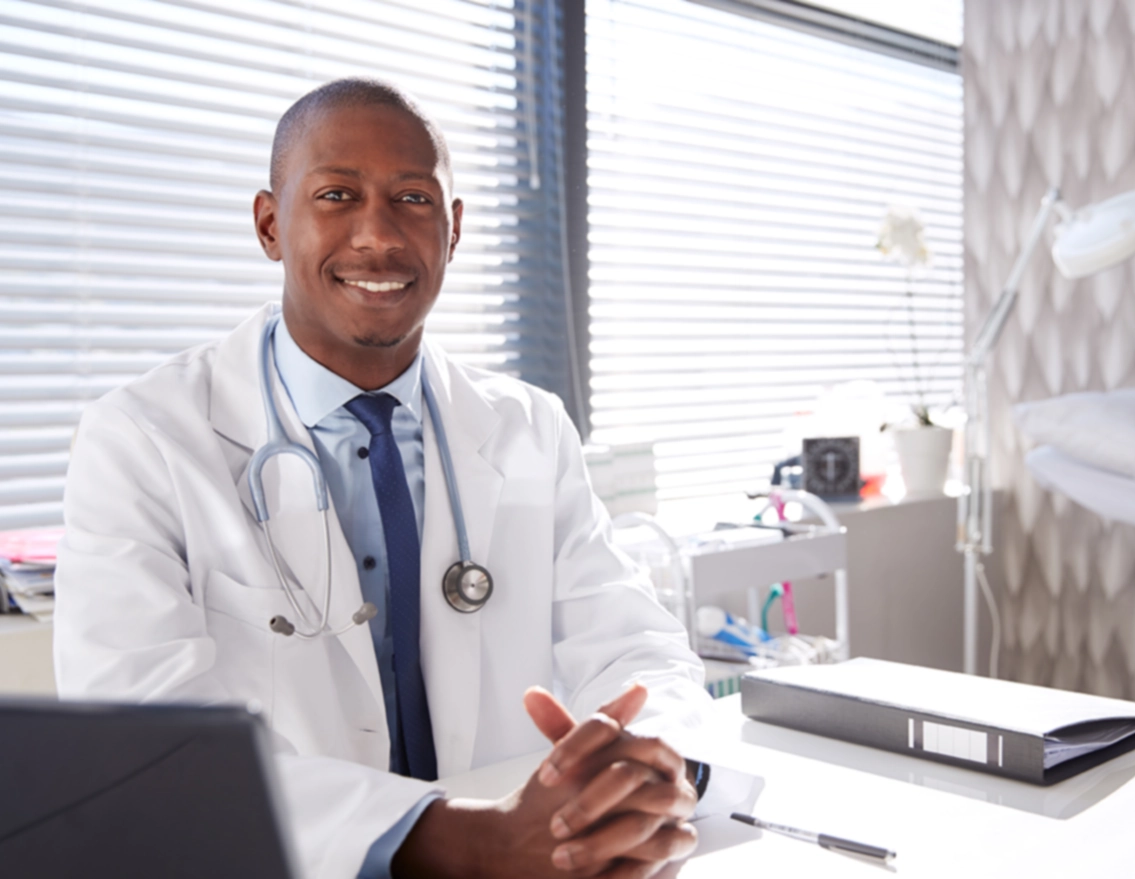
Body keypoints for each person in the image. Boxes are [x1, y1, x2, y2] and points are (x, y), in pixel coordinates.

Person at [53, 78, 715, 879]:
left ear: (454, 227)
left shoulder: (528, 427)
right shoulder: (143, 439)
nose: (378, 234)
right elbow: (148, 748)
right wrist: (466, 841)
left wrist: (644, 773)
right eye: (337, 195)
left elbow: (636, 647)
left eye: (413, 198)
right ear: (270, 224)